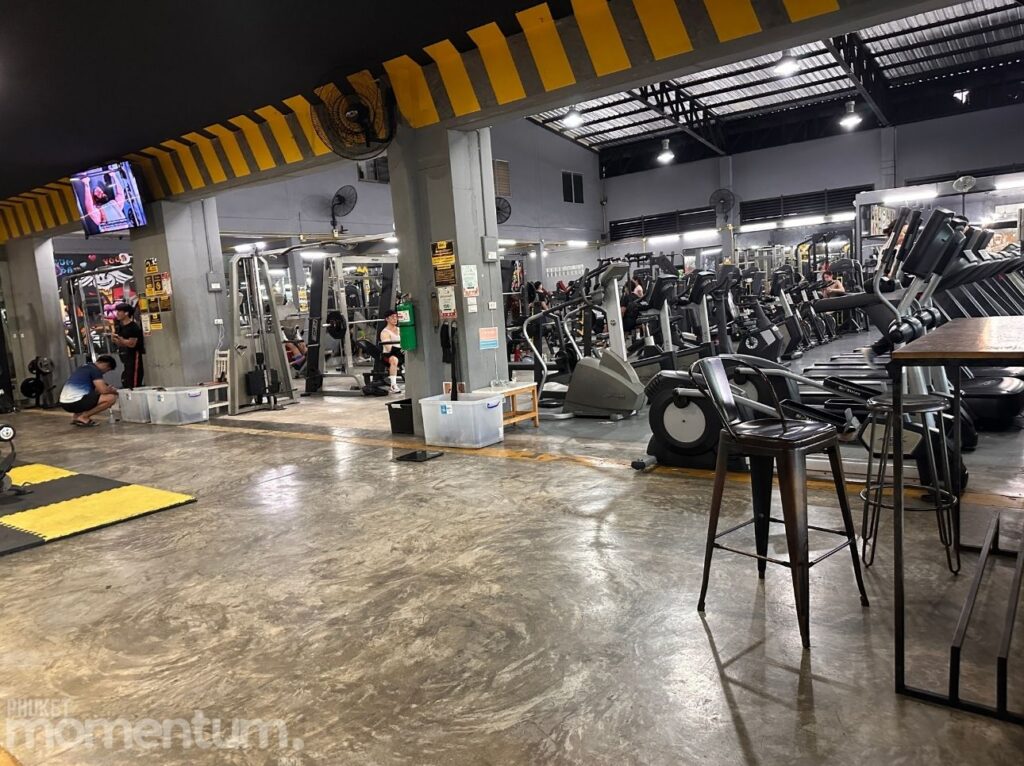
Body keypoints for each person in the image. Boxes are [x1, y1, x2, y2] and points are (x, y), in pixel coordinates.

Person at [59, 355, 118, 427]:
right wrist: (115, 391)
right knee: (111, 398)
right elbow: (103, 390)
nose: (105, 372)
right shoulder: (95, 370)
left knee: (89, 395)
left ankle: (76, 416)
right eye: (107, 370)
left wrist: (106, 388)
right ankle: (83, 417)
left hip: (64, 403)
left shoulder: (84, 367)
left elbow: (97, 390)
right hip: (75, 402)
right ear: (106, 365)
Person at [111, 303, 145, 388]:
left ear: (126, 313)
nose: (117, 313)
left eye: (119, 311)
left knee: (134, 381)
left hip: (134, 356)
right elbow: (120, 343)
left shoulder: (133, 327)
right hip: (126, 357)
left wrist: (121, 339)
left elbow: (132, 344)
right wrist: (114, 339)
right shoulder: (120, 327)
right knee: (127, 380)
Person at [380, 309, 404, 394]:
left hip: (401, 353)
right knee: (394, 359)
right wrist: (402, 349)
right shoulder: (384, 332)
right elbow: (389, 349)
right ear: (387, 319)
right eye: (392, 317)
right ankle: (393, 385)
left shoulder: (399, 329)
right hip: (388, 355)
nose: (395, 319)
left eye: (396, 317)